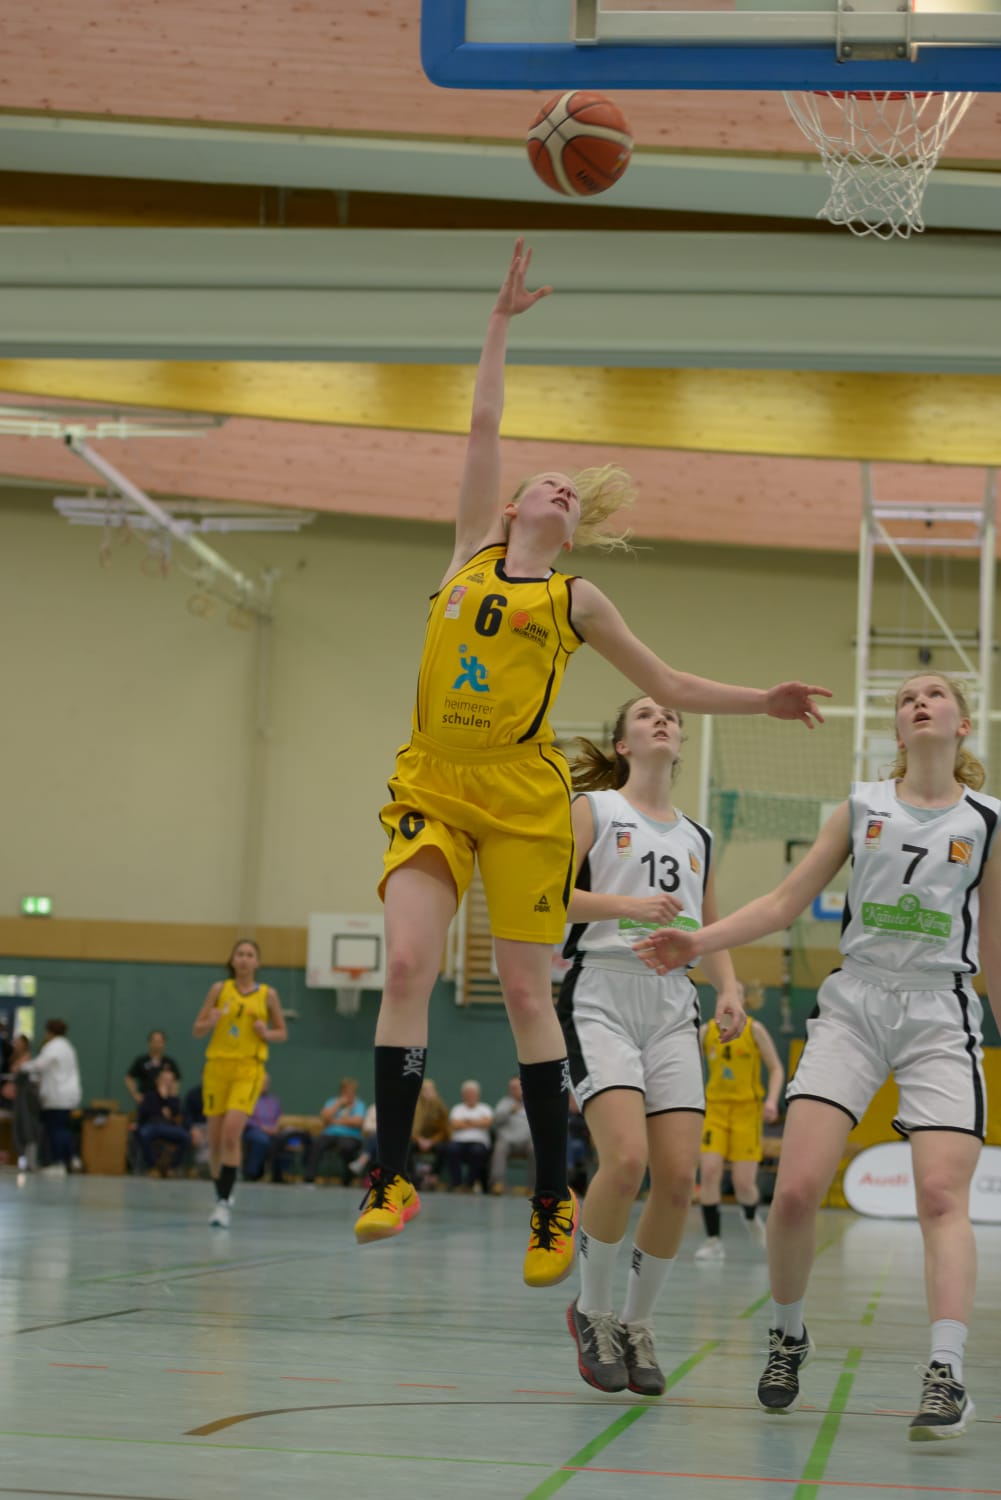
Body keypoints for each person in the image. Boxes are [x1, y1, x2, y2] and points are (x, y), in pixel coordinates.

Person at [353, 237, 829, 1287]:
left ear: (573, 533)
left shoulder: (576, 600)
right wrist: (497, 324)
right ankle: (389, 1175)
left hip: (523, 796)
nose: (562, 492)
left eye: (574, 495)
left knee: (528, 996)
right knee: (405, 967)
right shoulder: (469, 552)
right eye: (550, 484)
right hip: (432, 779)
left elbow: (670, 680)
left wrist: (763, 698)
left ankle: (548, 1201)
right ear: (513, 504)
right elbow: (482, 426)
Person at [637, 672, 1000, 1441]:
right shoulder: (861, 807)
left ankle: (945, 1372)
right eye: (907, 699)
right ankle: (787, 1335)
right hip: (855, 1005)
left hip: (940, 1012)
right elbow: (780, 904)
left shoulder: (988, 821)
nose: (919, 702)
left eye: (935, 695)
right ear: (897, 730)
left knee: (941, 1195)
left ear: (963, 724)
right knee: (797, 1191)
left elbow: (994, 950)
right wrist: (697, 942)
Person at [558, 696, 745, 1396]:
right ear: (623, 743)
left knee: (676, 1179)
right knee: (625, 1160)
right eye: (644, 715)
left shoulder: (698, 835)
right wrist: (627, 906)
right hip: (602, 990)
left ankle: (637, 1325)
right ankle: (592, 1309)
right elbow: (544, 897)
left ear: (680, 742)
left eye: (669, 715)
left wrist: (729, 987)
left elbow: (711, 924)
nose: (661, 719)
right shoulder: (594, 810)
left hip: (671, 1003)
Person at [193, 938, 287, 1227]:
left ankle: (222, 1204)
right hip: (217, 1068)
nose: (245, 959)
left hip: (248, 1068)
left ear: (257, 962)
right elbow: (197, 1029)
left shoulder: (268, 995)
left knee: (231, 1135)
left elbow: (281, 1032)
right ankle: (221, 1190)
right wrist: (210, 1021)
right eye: (240, 954)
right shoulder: (219, 990)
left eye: (250, 955)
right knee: (215, 1140)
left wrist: (265, 1033)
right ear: (232, 960)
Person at [694, 998, 784, 1261]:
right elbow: (687, 1065)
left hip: (747, 1111)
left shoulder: (755, 1030)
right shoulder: (705, 1032)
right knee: (709, 1172)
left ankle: (751, 1216)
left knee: (743, 1184)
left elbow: (776, 1069)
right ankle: (713, 1241)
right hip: (715, 1109)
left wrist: (771, 1101)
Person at [21, 1019, 82, 1174]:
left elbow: (39, 1064)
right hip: (67, 1095)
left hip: (57, 1096)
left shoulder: (53, 1046)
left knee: (56, 1130)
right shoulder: (68, 1047)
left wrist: (22, 1067)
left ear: (49, 1032)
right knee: (63, 1128)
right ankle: (73, 1157)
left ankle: (58, 1163)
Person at [306, 1077, 367, 1184]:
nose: (349, 1094)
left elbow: (357, 1121)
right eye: (346, 1091)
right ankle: (309, 1178)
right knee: (317, 1143)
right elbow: (325, 1117)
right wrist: (338, 1103)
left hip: (351, 1136)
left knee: (347, 1147)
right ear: (341, 1092)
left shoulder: (359, 1104)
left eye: (351, 1091)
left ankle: (347, 1179)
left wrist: (334, 1121)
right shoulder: (332, 1102)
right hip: (330, 1134)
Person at [137, 1065, 190, 1176]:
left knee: (185, 1137)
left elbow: (176, 1112)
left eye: (170, 1080)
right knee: (143, 1134)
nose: (167, 1083)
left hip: (169, 1127)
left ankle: (172, 1167)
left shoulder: (174, 1098)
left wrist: (165, 1099)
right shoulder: (150, 1096)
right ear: (158, 1081)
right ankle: (152, 1167)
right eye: (164, 1080)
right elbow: (144, 1112)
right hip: (152, 1125)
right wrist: (162, 1108)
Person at [445, 1080, 493, 1192]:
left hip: (479, 1143)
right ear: (463, 1095)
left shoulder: (485, 1108)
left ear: (478, 1094)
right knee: (451, 1149)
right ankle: (457, 1184)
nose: (470, 1096)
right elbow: (455, 1124)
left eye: (472, 1093)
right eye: (467, 1093)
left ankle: (469, 1185)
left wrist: (466, 1122)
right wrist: (477, 1122)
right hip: (458, 1142)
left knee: (477, 1152)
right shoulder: (457, 1108)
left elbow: (487, 1122)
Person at [490, 1077, 534, 1194]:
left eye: (515, 1088)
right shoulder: (504, 1103)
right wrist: (510, 1110)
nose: (513, 1090)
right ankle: (498, 1184)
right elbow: (497, 1120)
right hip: (507, 1141)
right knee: (499, 1147)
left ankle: (533, 1186)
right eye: (511, 1088)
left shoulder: (532, 1102)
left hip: (527, 1141)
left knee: (535, 1149)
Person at [241, 1072, 283, 1181]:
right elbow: (244, 1118)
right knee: (261, 1140)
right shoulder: (247, 1098)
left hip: (272, 1131)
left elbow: (279, 1118)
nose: (264, 1085)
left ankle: (277, 1175)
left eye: (267, 1082)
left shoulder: (274, 1101)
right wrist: (262, 1128)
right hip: (252, 1130)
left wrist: (276, 1127)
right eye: (262, 1082)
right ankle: (252, 1174)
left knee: (282, 1139)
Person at [125, 1029, 182, 1106]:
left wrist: (172, 1097)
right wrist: (135, 1095)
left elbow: (176, 1081)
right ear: (149, 1043)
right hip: (145, 1101)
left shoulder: (169, 1062)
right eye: (154, 1041)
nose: (157, 1045)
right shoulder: (141, 1061)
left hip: (164, 1101)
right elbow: (129, 1078)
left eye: (159, 1042)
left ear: (164, 1043)